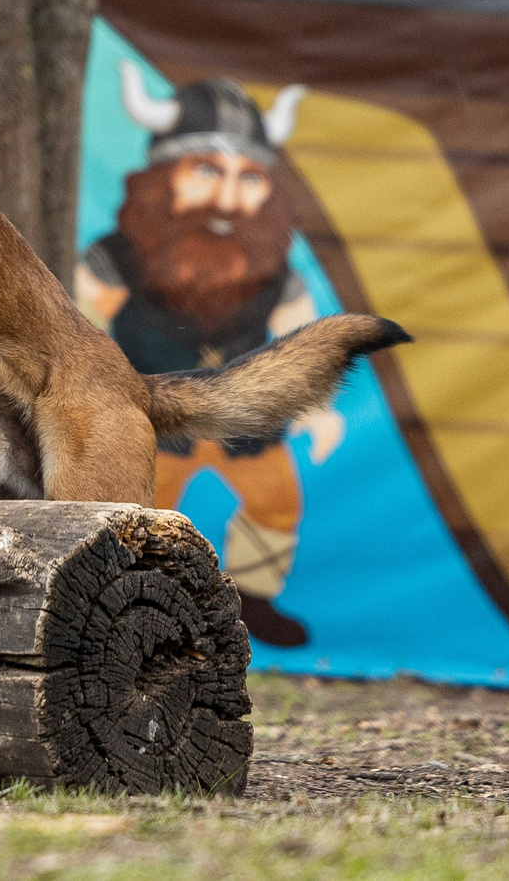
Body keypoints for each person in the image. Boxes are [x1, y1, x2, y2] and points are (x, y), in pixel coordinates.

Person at [74, 72, 343, 647]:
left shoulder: (274, 270)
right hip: (154, 420)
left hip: (248, 420)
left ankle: (251, 601)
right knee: (136, 519)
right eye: (206, 171)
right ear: (160, 178)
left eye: (248, 178)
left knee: (276, 505)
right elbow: (79, 332)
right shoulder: (115, 258)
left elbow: (301, 346)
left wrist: (317, 408)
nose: (227, 199)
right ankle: (131, 608)